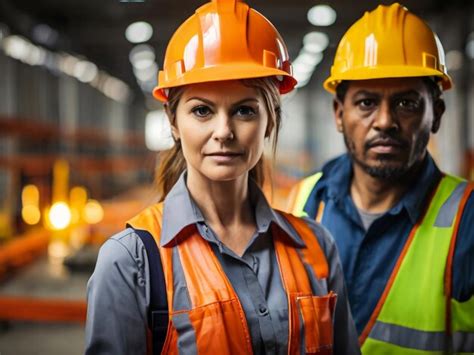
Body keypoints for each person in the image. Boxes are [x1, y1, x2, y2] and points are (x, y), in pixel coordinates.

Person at [85, 0, 359, 354]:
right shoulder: (132, 261)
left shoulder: (317, 248)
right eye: (202, 110)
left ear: (270, 121)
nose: (224, 131)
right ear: (173, 122)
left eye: (244, 110)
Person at [287, 3, 474, 354]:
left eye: (406, 104)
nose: (385, 121)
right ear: (339, 114)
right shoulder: (301, 202)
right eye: (366, 103)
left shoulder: (468, 221)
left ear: (436, 115)